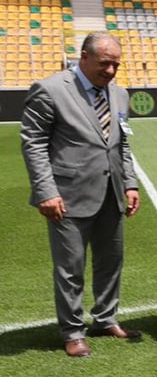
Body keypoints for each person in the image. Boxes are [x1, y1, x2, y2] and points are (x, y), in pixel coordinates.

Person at [20, 31, 141, 357]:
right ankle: (73, 332)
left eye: (116, 64)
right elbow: (34, 145)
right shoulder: (50, 90)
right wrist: (46, 191)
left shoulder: (119, 94)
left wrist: (130, 183)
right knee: (70, 268)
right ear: (83, 57)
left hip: (111, 192)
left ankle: (105, 318)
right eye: (105, 63)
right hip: (67, 195)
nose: (111, 71)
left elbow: (122, 144)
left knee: (110, 262)